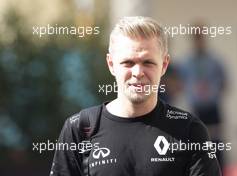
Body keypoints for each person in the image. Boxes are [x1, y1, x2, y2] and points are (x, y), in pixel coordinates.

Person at [50, 16, 221, 176]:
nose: (138, 72)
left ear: (164, 65)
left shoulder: (189, 130)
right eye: (128, 63)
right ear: (111, 64)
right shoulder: (79, 129)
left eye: (148, 62)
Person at [179, 23, 227, 169]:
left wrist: (212, 90)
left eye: (201, 36)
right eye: (196, 37)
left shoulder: (215, 61)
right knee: (199, 144)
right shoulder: (186, 63)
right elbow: (180, 85)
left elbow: (225, 82)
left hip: (213, 108)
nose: (199, 40)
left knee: (216, 145)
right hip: (196, 109)